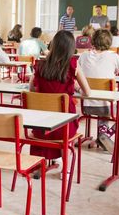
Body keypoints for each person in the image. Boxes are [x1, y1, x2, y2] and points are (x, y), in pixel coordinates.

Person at [78, 29, 119, 153]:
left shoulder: (83, 56)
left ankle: (102, 137)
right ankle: (107, 135)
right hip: (108, 107)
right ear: (109, 42)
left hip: (87, 106)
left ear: (92, 41)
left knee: (104, 105)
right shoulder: (114, 57)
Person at [29, 30, 91, 161]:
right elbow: (87, 92)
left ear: (53, 45)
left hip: (40, 124)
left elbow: (32, 89)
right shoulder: (73, 65)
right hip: (64, 125)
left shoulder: (40, 65)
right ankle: (65, 170)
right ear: (71, 48)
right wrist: (76, 87)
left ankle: (41, 162)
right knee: (67, 133)